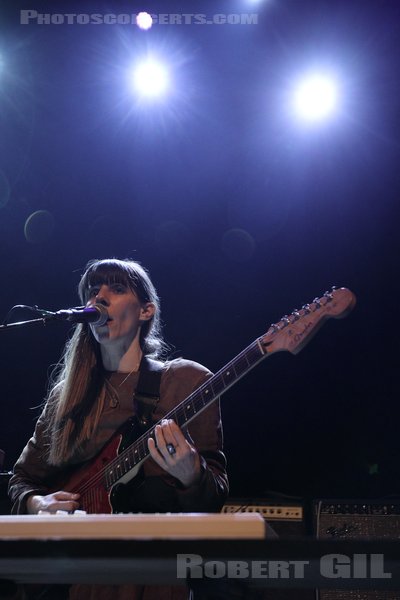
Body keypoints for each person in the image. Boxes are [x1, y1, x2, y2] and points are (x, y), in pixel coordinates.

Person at [8, 258, 229, 600]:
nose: (100, 297)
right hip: (70, 579)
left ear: (146, 311)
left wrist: (192, 475)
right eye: (93, 290)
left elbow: (215, 495)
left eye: (117, 288)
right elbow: (21, 480)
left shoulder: (186, 381)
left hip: (153, 579)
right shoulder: (65, 397)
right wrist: (39, 505)